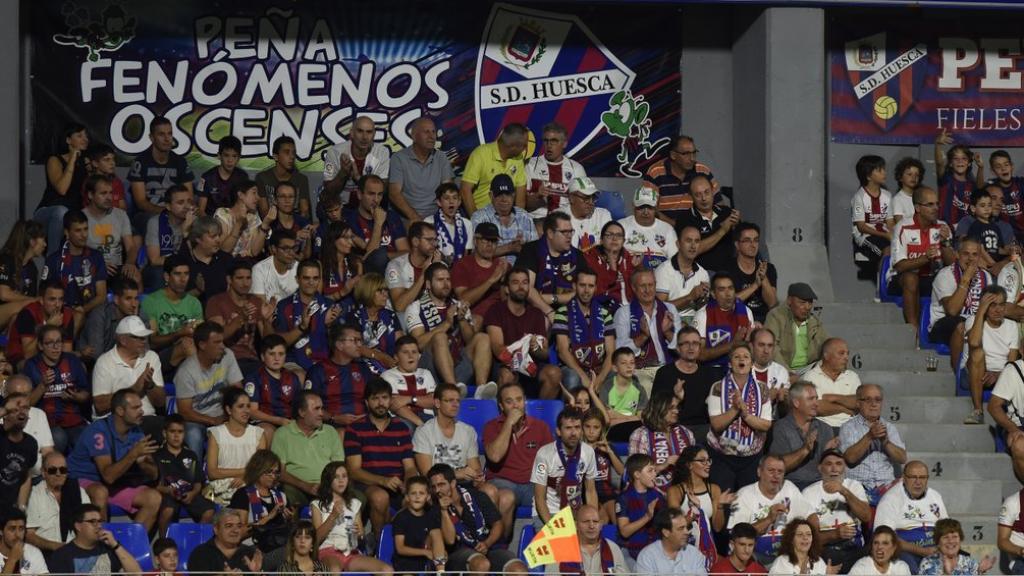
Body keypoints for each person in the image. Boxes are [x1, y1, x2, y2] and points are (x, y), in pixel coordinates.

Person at [66, 389, 164, 529]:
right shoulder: (98, 431)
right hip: (81, 480)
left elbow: (153, 474)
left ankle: (130, 547)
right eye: (135, 408)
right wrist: (133, 454)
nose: (141, 411)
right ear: (120, 411)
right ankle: (101, 546)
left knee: (153, 498)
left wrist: (147, 465)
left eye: (141, 407)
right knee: (100, 492)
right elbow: (108, 476)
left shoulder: (136, 431)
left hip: (113, 483)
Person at [343, 377, 417, 546]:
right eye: (375, 398)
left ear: (390, 400)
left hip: (397, 484)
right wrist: (383, 481)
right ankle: (379, 544)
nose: (380, 403)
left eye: (384, 398)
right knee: (380, 497)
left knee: (417, 497)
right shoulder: (355, 429)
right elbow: (354, 470)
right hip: (367, 483)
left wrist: (409, 485)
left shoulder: (401, 428)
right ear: (367, 402)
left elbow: (410, 467)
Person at [407, 263, 493, 394]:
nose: (446, 284)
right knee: (440, 337)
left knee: (483, 337)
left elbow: (471, 341)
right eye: (440, 280)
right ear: (428, 284)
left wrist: (462, 320)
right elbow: (418, 344)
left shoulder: (458, 305)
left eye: (448, 279)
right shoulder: (416, 307)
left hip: (458, 365)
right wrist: (447, 323)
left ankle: (481, 390)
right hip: (430, 369)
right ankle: (451, 389)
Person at [427, 463, 527, 576]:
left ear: (453, 483)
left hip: (488, 547)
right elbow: (450, 540)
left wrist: (487, 543)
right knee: (481, 564)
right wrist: (444, 511)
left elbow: (498, 524)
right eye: (434, 486)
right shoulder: (434, 508)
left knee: (519, 570)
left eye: (441, 484)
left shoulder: (477, 496)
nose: (437, 490)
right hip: (458, 553)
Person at [482, 382, 553, 535]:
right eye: (509, 401)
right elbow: (495, 456)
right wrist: (508, 423)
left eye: (519, 400)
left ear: (524, 401)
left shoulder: (540, 427)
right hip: (502, 481)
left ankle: (550, 544)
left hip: (531, 484)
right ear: (501, 406)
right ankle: (502, 543)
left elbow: (551, 463)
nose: (515, 405)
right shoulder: (491, 426)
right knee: (506, 498)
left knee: (554, 497)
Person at [728, 454, 818, 565]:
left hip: (788, 555)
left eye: (780, 472)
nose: (776, 475)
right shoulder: (744, 495)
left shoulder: (789, 488)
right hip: (756, 557)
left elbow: (811, 516)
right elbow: (738, 535)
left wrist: (811, 544)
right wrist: (769, 519)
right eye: (771, 470)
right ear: (759, 472)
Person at [707, 344, 773, 491]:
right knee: (723, 501)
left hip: (752, 457)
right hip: (722, 456)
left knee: (749, 501)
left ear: (751, 364)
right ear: (730, 364)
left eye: (746, 357)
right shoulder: (717, 387)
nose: (741, 360)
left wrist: (746, 415)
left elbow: (766, 425)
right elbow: (717, 425)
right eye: (737, 357)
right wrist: (735, 409)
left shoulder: (762, 389)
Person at [888, 186, 956, 328]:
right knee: (911, 278)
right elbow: (899, 266)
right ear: (918, 208)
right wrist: (925, 258)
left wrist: (946, 243)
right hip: (903, 279)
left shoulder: (942, 227)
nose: (936, 208)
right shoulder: (903, 227)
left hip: (933, 279)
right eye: (930, 204)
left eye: (937, 204)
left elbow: (952, 265)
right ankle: (915, 331)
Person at [174, 321, 244, 460]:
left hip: (222, 415)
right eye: (217, 342)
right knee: (194, 434)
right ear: (202, 345)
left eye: (222, 341)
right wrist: (212, 421)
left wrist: (232, 414)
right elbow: (185, 411)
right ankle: (196, 478)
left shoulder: (227, 356)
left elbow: (238, 390)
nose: (222, 346)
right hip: (195, 419)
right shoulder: (186, 371)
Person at [91, 314, 165, 439]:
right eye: (139, 338)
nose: (144, 341)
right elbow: (100, 405)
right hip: (115, 422)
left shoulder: (151, 357)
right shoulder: (104, 362)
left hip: (147, 419)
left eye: (145, 337)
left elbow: (161, 402)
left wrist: (150, 385)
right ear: (123, 340)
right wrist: (135, 389)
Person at [311, 462, 390, 574]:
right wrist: (333, 516)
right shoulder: (318, 505)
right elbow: (315, 538)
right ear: (328, 480)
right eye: (336, 477)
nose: (341, 480)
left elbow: (360, 534)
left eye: (344, 476)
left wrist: (359, 534)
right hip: (328, 550)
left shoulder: (354, 503)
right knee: (334, 570)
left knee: (386, 570)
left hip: (351, 552)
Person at [22, 324, 91, 453]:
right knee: (58, 438)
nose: (56, 347)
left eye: (58, 342)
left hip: (73, 419)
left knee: (86, 439)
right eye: (50, 343)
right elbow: (27, 403)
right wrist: (43, 385)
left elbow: (86, 395)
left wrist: (76, 397)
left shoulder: (72, 361)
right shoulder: (32, 365)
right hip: (47, 422)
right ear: (41, 346)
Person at [271, 391, 346, 506]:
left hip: (328, 487)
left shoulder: (330, 431)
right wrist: (305, 485)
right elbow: (279, 472)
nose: (321, 413)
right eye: (316, 409)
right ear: (301, 412)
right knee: (288, 493)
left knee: (358, 497)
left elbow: (339, 466)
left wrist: (328, 486)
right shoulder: (282, 434)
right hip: (298, 488)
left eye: (322, 408)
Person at [801, 449, 871, 572]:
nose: (834, 469)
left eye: (839, 464)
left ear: (844, 467)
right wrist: (835, 534)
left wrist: (844, 491)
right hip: (826, 549)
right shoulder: (809, 493)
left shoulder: (854, 486)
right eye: (829, 464)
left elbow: (866, 516)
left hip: (854, 547)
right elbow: (809, 538)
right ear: (820, 468)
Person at [615, 269, 681, 397]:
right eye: (643, 286)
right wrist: (643, 337)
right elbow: (620, 351)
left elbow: (681, 348)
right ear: (633, 288)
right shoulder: (624, 313)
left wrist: (667, 332)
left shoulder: (669, 309)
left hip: (667, 367)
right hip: (640, 371)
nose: (648, 290)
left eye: (651, 285)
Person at [873, 460, 949, 573]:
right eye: (913, 477)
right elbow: (885, 538)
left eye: (922, 477)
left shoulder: (935, 496)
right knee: (908, 568)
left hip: (934, 548)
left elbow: (948, 529)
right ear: (904, 477)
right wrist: (922, 551)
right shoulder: (890, 499)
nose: (918, 482)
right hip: (905, 551)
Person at [838, 384, 908, 505]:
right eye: (868, 399)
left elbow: (902, 458)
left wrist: (886, 442)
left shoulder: (889, 427)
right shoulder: (848, 427)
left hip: (886, 487)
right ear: (858, 403)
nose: (873, 404)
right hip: (858, 486)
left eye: (877, 400)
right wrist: (869, 436)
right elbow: (849, 458)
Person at [930, 238, 992, 372]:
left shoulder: (986, 276)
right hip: (944, 324)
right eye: (966, 254)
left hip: (975, 321)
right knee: (961, 324)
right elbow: (952, 310)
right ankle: (958, 373)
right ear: (957, 254)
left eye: (975, 254)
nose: (970, 258)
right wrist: (965, 280)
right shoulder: (945, 274)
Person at [667, 446, 733, 568]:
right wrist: (694, 512)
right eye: (702, 460)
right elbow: (674, 527)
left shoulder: (714, 489)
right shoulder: (675, 491)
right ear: (689, 465)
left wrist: (720, 506)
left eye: (709, 460)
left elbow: (717, 528)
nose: (707, 464)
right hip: (682, 550)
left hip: (707, 549)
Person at [304, 323, 378, 433]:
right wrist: (334, 418)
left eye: (360, 340)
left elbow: (375, 398)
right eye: (354, 340)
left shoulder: (363, 369)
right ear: (339, 345)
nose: (359, 345)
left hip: (364, 425)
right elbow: (308, 406)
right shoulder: (318, 371)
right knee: (343, 433)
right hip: (331, 426)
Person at [207, 260, 275, 377]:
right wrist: (241, 318)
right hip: (224, 360)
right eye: (240, 278)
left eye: (248, 278)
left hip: (252, 360)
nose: (245, 283)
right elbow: (217, 337)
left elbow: (269, 341)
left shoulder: (256, 302)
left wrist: (266, 320)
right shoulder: (216, 302)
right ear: (229, 280)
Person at [274, 259, 343, 374]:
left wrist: (329, 326)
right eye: (306, 278)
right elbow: (278, 344)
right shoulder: (284, 306)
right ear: (297, 279)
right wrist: (302, 327)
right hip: (293, 361)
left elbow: (340, 345)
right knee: (300, 376)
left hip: (324, 361)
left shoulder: (330, 306)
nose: (311, 282)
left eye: (315, 278)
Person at [531, 408, 599, 524]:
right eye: (568, 428)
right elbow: (539, 498)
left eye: (577, 427)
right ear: (558, 431)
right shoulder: (545, 454)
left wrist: (591, 519)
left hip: (576, 512)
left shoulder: (588, 452)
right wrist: (552, 528)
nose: (573, 433)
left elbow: (590, 491)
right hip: (549, 512)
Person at [228, 449, 292, 570]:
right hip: (252, 547)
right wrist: (268, 517)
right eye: (269, 472)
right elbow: (238, 533)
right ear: (258, 470)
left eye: (276, 472)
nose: (273, 476)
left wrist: (289, 519)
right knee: (290, 554)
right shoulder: (243, 495)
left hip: (277, 545)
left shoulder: (281, 496)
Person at [554, 268, 615, 392]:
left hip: (599, 368)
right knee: (572, 378)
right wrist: (583, 376)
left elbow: (611, 351)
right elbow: (562, 351)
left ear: (595, 288)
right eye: (582, 285)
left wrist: (601, 378)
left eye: (590, 286)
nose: (586, 290)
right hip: (573, 368)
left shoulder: (605, 313)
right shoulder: (562, 313)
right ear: (574, 286)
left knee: (617, 378)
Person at [652, 325, 717, 442]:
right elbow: (656, 411)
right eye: (686, 343)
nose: (691, 347)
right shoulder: (664, 373)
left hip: (703, 429)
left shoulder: (710, 374)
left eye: (695, 343)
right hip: (673, 428)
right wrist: (676, 398)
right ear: (678, 348)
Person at [141, 255, 203, 378]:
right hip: (160, 356)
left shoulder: (194, 303)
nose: (183, 279)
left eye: (186, 274)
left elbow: (201, 336)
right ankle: (204, 385)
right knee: (186, 344)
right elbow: (152, 341)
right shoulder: (151, 301)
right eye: (177, 274)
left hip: (189, 354)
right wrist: (179, 333)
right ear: (166, 276)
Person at [516, 212, 586, 319]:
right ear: (550, 233)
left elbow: (583, 291)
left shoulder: (577, 256)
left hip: (570, 310)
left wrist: (548, 298)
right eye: (564, 232)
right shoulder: (531, 250)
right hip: (536, 309)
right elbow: (527, 288)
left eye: (571, 231)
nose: (569, 236)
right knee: (543, 320)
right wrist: (550, 312)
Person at [154, 414, 217, 534]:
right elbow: (154, 485)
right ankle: (164, 543)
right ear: (164, 433)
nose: (176, 436)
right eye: (172, 431)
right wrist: (167, 490)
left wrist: (193, 493)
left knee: (209, 511)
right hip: (167, 494)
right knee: (168, 511)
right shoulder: (157, 455)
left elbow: (198, 482)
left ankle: (197, 542)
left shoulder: (190, 455)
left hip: (189, 494)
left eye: (180, 432)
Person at [964, 286, 1018, 424]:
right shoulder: (973, 321)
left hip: (1001, 374)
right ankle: (978, 411)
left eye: (1001, 305)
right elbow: (974, 343)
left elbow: (1011, 363)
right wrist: (981, 311)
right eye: (992, 305)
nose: (997, 310)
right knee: (978, 354)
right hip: (975, 372)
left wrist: (997, 375)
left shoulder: (1012, 326)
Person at [206, 387, 268, 505]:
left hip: (250, 485)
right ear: (229, 410)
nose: (246, 411)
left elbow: (261, 469)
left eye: (248, 406)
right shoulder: (216, 433)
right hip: (222, 488)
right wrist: (246, 472)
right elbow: (213, 472)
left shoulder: (258, 434)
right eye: (240, 406)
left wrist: (246, 478)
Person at [768, 381, 835, 489]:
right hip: (791, 487)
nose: (816, 403)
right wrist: (805, 450)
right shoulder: (781, 428)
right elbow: (778, 467)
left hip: (820, 486)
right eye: (810, 399)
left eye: (816, 398)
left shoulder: (826, 429)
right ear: (796, 403)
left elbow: (831, 468)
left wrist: (828, 457)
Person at [128, 116, 195, 224]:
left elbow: (189, 196)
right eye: (161, 134)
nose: (167, 138)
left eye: (169, 133)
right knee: (158, 222)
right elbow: (141, 202)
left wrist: (181, 212)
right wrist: (167, 213)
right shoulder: (140, 162)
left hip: (178, 211)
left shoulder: (180, 162)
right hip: (148, 214)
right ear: (151, 137)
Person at [387, 116, 455, 222]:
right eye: (426, 132)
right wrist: (415, 218)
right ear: (414, 136)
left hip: (435, 217)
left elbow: (447, 191)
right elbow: (394, 193)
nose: (431, 136)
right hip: (407, 217)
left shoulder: (441, 157)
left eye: (433, 132)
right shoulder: (399, 158)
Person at [41, 210, 107, 315]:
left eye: (85, 229)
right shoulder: (54, 260)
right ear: (67, 232)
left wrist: (82, 310)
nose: (84, 235)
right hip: (59, 312)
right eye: (78, 230)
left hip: (90, 312)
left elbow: (101, 295)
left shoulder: (96, 256)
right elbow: (44, 295)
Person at [48, 503, 143, 575]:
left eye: (99, 521)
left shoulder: (109, 549)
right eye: (92, 522)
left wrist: (115, 545)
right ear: (78, 526)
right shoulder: (62, 556)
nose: (98, 526)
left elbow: (137, 574)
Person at [36, 123, 89, 251]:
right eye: (79, 136)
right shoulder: (54, 160)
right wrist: (72, 160)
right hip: (49, 212)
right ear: (68, 140)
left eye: (86, 136)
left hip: (73, 213)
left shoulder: (86, 163)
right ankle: (53, 264)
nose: (85, 139)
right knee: (61, 212)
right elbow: (62, 189)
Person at [643, 134, 719, 223]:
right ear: (673, 155)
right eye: (686, 154)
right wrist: (676, 226)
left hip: (698, 229)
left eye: (694, 153)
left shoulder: (702, 171)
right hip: (665, 229)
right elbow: (649, 208)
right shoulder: (655, 172)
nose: (692, 158)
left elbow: (718, 203)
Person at [26, 451, 91, 555]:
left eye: (63, 470)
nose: (58, 474)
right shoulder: (33, 495)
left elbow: (89, 525)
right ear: (43, 472)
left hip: (75, 553)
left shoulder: (79, 492)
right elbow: (29, 535)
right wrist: (56, 546)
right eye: (52, 470)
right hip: (43, 553)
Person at [627, 391, 694, 489]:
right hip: (653, 491)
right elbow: (635, 471)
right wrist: (664, 465)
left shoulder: (686, 433)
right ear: (659, 408)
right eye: (671, 408)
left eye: (677, 407)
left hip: (684, 490)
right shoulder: (641, 435)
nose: (676, 411)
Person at [675, 175, 741, 272]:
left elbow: (741, 242)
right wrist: (722, 230)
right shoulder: (685, 219)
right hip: (702, 274)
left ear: (713, 191)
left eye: (707, 192)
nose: (704, 198)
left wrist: (737, 226)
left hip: (729, 273)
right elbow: (692, 250)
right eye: (698, 194)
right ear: (691, 196)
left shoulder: (726, 212)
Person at [322, 116, 391, 208]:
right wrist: (343, 173)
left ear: (374, 134)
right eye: (360, 131)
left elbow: (383, 189)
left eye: (369, 132)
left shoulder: (382, 152)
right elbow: (328, 191)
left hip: (372, 207)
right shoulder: (334, 152)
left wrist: (357, 178)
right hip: (342, 208)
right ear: (352, 133)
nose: (365, 137)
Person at [83, 174, 139, 284]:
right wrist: (98, 263)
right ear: (90, 195)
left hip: (116, 267)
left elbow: (131, 247)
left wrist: (130, 263)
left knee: (135, 277)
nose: (109, 197)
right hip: (91, 266)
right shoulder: (81, 217)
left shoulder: (120, 215)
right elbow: (77, 251)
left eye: (111, 193)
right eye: (103, 193)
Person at [469, 174, 538, 264]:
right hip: (490, 271)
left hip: (520, 272)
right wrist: (510, 248)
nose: (504, 199)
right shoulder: (479, 218)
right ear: (491, 195)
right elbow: (475, 253)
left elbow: (536, 249)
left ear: (513, 195)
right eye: (499, 195)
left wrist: (523, 248)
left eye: (508, 194)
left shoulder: (524, 216)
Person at [460, 123, 528, 214]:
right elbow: (465, 190)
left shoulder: (518, 159)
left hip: (506, 219)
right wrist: (476, 220)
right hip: (481, 215)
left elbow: (520, 197)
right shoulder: (481, 154)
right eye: (524, 145)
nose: (525, 149)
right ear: (513, 146)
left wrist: (519, 221)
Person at [524, 122, 585, 224]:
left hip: (566, 223)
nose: (549, 145)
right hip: (536, 221)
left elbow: (583, 205)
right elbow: (523, 206)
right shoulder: (530, 165)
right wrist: (538, 196)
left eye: (554, 141)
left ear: (564, 143)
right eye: (546, 141)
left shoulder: (577, 169)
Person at [347, 175, 408, 275]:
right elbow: (371, 260)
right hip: (369, 277)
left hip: (396, 272)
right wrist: (378, 223)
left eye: (379, 194)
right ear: (359, 194)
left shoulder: (391, 217)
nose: (376, 199)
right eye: (371, 194)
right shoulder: (351, 221)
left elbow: (406, 253)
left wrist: (385, 256)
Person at [452, 222, 509, 326]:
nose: (490, 245)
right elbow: (463, 299)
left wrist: (503, 281)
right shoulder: (462, 265)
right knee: (476, 320)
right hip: (474, 318)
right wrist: (491, 280)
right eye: (485, 240)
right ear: (475, 241)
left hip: (499, 318)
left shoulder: (503, 265)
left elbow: (507, 301)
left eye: (494, 241)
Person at [764, 283, 828, 376]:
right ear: (789, 300)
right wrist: (788, 372)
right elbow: (772, 347)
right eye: (802, 302)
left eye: (810, 303)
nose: (807, 307)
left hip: (808, 370)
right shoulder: (776, 316)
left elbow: (827, 344)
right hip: (781, 368)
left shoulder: (814, 321)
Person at [545, 504, 628, 575]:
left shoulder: (612, 548)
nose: (591, 526)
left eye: (595, 521)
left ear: (600, 525)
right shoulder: (561, 550)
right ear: (576, 525)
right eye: (586, 521)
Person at [7, 281, 74, 367]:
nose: (57, 305)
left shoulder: (67, 315)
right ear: (41, 300)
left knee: (77, 365)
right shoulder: (28, 313)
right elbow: (28, 354)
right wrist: (48, 326)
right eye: (52, 299)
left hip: (51, 357)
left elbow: (66, 352)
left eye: (60, 299)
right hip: (21, 359)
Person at [78, 277, 146, 361]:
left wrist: (134, 321)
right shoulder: (99, 315)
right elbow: (96, 355)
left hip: (125, 362)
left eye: (136, 298)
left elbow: (144, 351)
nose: (134, 304)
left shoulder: (139, 314)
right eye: (128, 299)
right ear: (116, 299)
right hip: (96, 366)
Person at [654, 226, 710, 327]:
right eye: (688, 240)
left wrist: (702, 299)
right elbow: (659, 308)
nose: (693, 246)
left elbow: (702, 309)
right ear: (678, 244)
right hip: (669, 322)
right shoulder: (663, 270)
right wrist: (689, 297)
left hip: (696, 323)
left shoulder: (703, 273)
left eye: (697, 241)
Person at [694, 273, 755, 367]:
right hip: (711, 369)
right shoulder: (703, 314)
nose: (728, 294)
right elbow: (699, 354)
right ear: (713, 294)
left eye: (730, 288)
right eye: (722, 289)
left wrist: (748, 344)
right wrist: (732, 344)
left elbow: (751, 351)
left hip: (739, 369)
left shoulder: (746, 312)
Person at [390, 475, 446, 574]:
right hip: (405, 564)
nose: (417, 496)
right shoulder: (401, 518)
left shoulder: (431, 516)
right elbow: (400, 549)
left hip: (426, 562)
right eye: (413, 493)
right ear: (407, 497)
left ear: (428, 497)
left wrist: (439, 553)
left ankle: (441, 571)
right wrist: (425, 552)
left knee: (436, 533)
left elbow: (435, 539)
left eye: (421, 493)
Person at [347, 272, 403, 369]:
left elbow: (401, 343)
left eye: (386, 290)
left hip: (391, 367)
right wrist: (381, 357)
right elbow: (355, 346)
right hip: (362, 368)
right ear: (368, 292)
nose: (385, 295)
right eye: (380, 291)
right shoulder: (355, 317)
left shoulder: (391, 316)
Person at [143, 185, 195, 288]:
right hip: (161, 268)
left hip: (185, 267)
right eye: (180, 202)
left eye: (189, 201)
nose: (187, 206)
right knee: (160, 274)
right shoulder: (156, 222)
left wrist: (186, 232)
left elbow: (195, 257)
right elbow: (154, 260)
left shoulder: (195, 222)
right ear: (168, 206)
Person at [615, 454, 666, 560]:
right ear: (637, 474)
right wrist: (647, 517)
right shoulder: (624, 498)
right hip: (631, 552)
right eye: (650, 471)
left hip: (655, 551)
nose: (655, 474)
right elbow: (624, 531)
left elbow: (666, 525)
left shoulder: (657, 496)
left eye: (654, 470)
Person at [802, 339, 860, 432]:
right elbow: (816, 407)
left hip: (850, 427)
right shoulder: (810, 376)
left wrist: (833, 398)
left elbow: (858, 402)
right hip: (820, 426)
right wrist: (844, 409)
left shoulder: (852, 376)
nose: (846, 357)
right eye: (841, 353)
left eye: (847, 353)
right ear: (826, 356)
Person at [5, 375, 55, 480]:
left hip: (37, 477)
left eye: (26, 395)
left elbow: (48, 451)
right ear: (6, 394)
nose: (21, 401)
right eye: (16, 395)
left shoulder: (39, 414)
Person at [851, 155, 895, 274]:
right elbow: (861, 226)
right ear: (868, 176)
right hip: (865, 237)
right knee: (887, 251)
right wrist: (885, 235)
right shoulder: (859, 197)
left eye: (884, 169)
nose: (884, 173)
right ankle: (882, 285)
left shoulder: (887, 195)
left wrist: (894, 234)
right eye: (879, 170)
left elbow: (890, 221)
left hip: (884, 235)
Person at [384, 221, 437, 318]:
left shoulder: (437, 262)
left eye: (435, 240)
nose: (434, 244)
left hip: (427, 315)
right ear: (415, 242)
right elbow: (399, 307)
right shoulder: (396, 266)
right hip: (400, 319)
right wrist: (424, 275)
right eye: (429, 240)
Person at [0, 220, 46, 331]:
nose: (45, 244)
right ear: (32, 242)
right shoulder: (5, 259)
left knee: (20, 316)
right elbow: (4, 294)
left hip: (14, 314)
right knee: (28, 304)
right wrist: (33, 300)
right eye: (43, 240)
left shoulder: (32, 269)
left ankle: (6, 345)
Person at [634, 507, 708, 576]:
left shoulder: (694, 554)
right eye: (681, 528)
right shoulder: (647, 557)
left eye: (686, 527)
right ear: (666, 532)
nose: (686, 532)